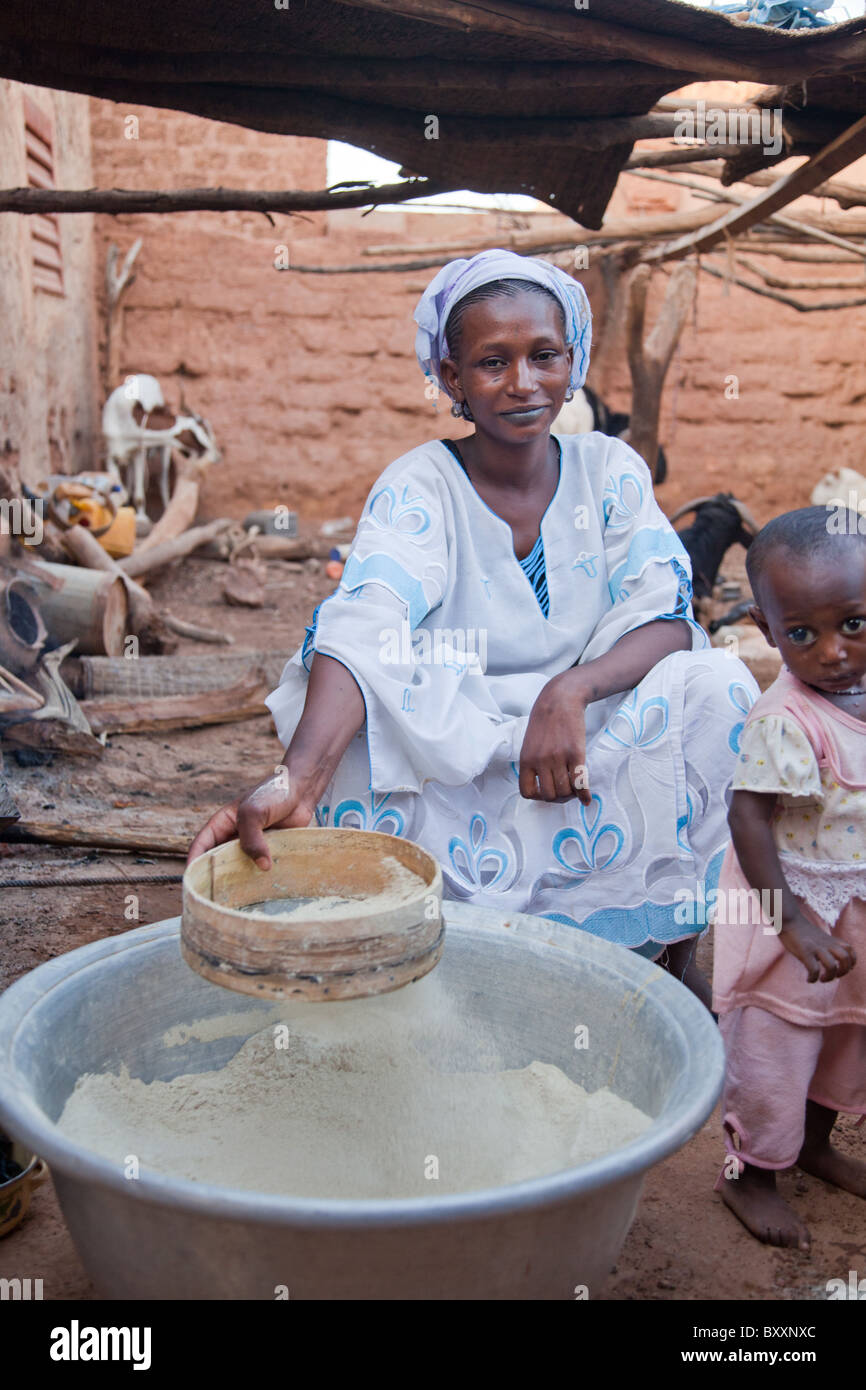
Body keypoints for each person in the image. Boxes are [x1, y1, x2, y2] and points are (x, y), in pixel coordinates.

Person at [188, 248, 757, 993]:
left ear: (572, 358)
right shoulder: (421, 484)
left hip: (591, 734)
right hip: (471, 747)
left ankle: (667, 958)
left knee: (718, 682)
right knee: (356, 730)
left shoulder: (610, 470)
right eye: (493, 363)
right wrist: (296, 776)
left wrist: (570, 692)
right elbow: (367, 619)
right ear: (452, 380)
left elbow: (665, 614)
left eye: (544, 355)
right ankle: (426, 955)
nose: (524, 384)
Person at [712, 506, 866, 1251]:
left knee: (843, 1033)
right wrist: (794, 922)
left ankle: (812, 1144)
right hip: (789, 909)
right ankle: (751, 1173)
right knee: (776, 1046)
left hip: (855, 905)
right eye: (801, 633)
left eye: (855, 624)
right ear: (767, 631)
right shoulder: (786, 719)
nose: (833, 652)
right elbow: (748, 822)